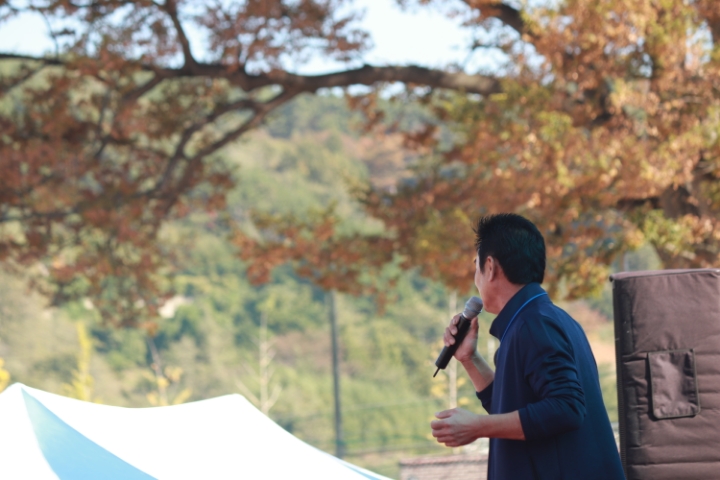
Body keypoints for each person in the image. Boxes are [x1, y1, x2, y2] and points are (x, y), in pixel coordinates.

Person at [430, 213, 625, 479]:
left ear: (490, 267)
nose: (475, 278)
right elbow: (513, 412)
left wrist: (478, 426)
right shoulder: (543, 319)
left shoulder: (534, 325)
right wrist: (469, 358)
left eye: (476, 266)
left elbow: (566, 408)